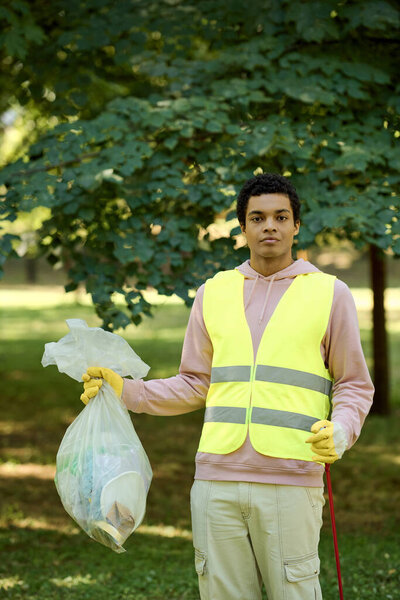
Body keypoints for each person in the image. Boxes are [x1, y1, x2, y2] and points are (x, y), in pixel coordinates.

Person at [81, 173, 374, 600]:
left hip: (292, 479)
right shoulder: (213, 293)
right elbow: (193, 384)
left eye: (280, 217)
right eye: (257, 217)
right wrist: (124, 390)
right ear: (243, 227)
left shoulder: (331, 293)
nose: (269, 226)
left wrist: (342, 431)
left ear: (297, 226)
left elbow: (353, 384)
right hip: (215, 481)